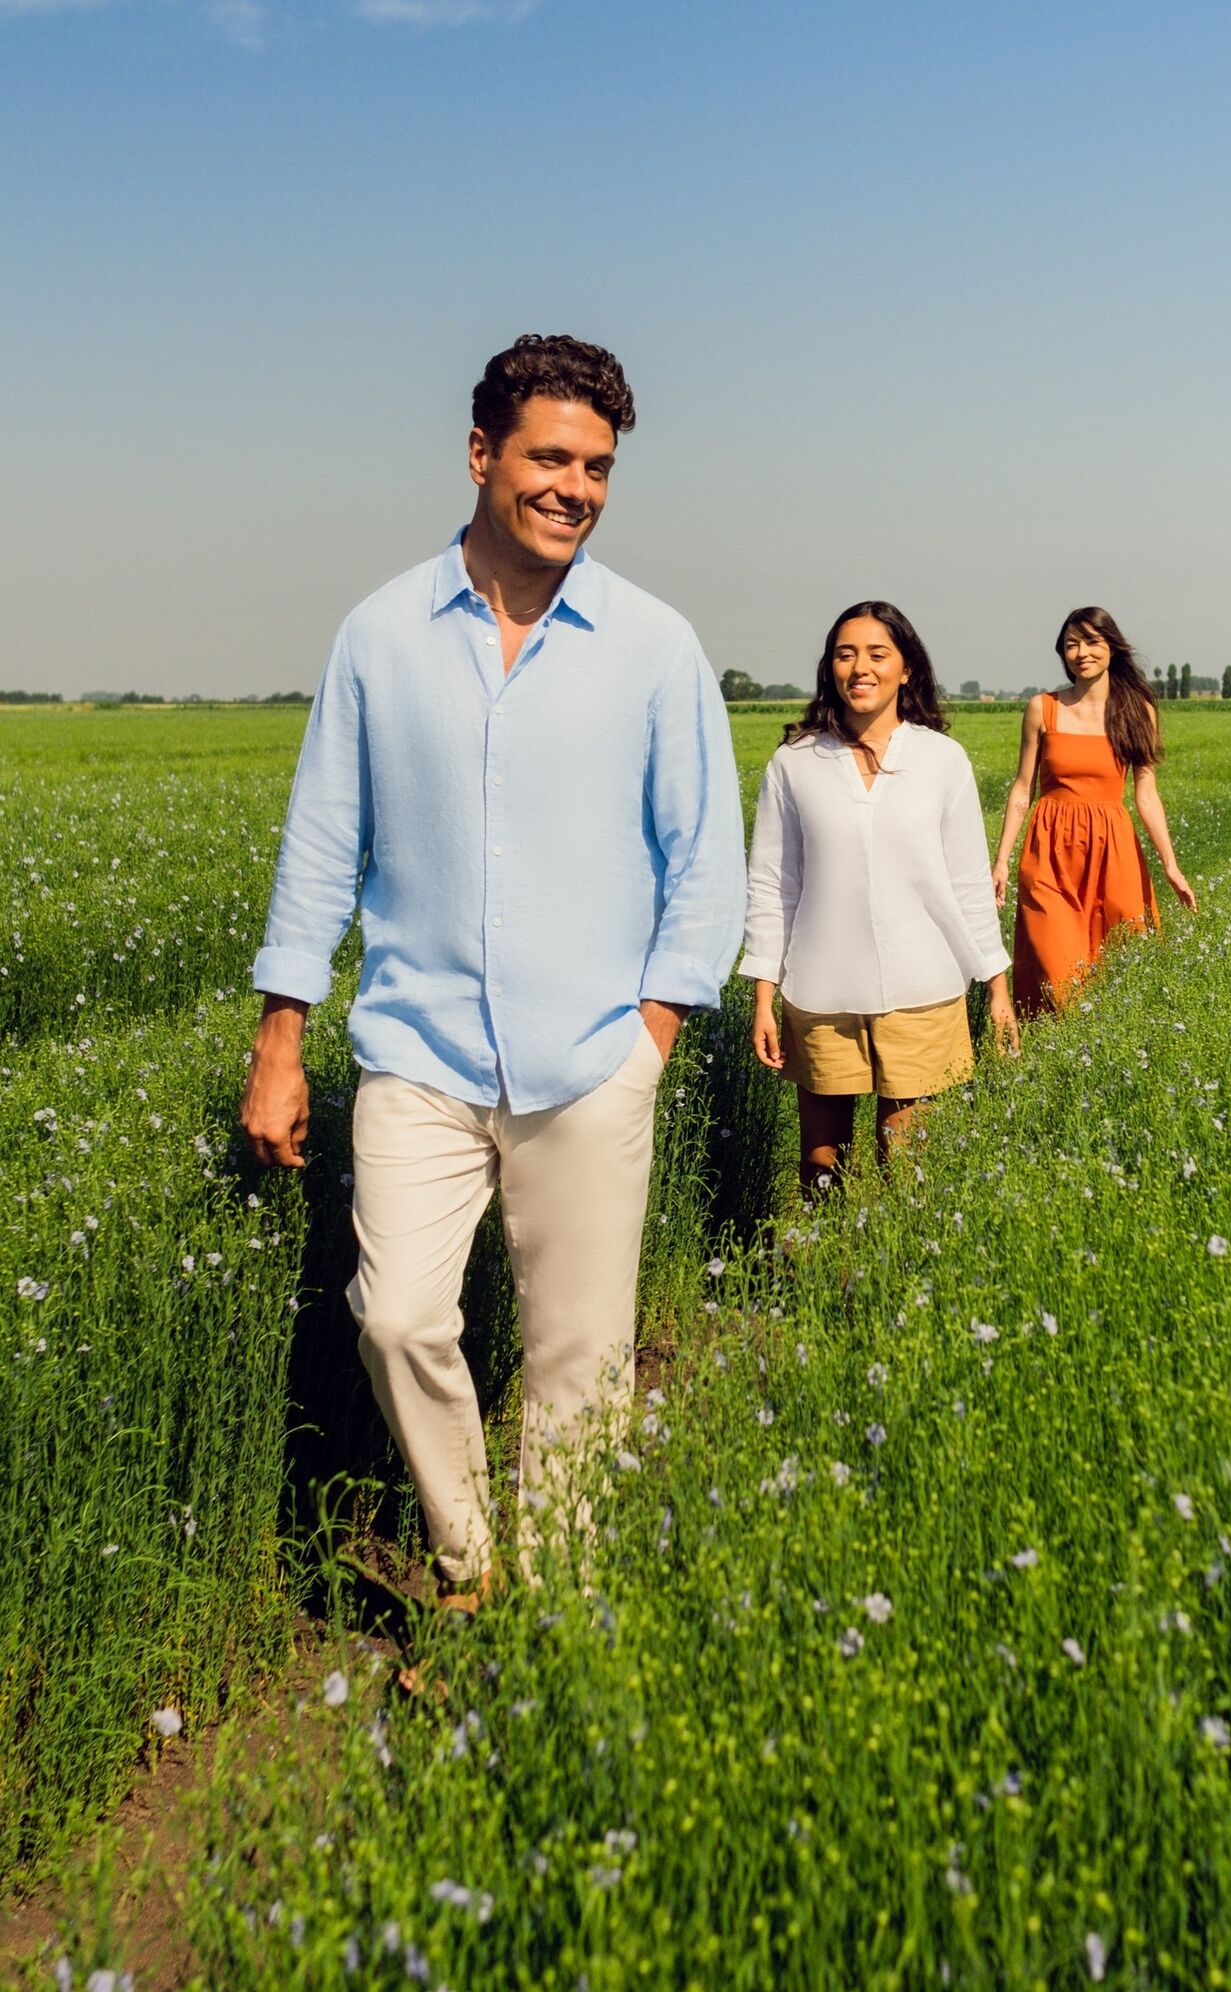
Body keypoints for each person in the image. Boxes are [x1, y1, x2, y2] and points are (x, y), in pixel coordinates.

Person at [240, 335, 746, 1609]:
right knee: (397, 1317)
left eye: (598, 465)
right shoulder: (379, 637)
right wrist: (280, 1038)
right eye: (549, 457)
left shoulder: (652, 644)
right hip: (419, 1053)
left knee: (581, 1357)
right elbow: (319, 844)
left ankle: (558, 1610)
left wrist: (650, 1039)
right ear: (481, 455)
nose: (575, 486)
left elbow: (706, 863)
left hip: (590, 1058)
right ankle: (475, 1566)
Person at [741, 601, 1017, 1191]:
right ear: (830, 669)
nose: (860, 667)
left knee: (909, 1171)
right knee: (821, 1171)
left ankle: (901, 1284)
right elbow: (772, 884)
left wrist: (997, 987)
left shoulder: (942, 761)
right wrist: (764, 997)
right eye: (845, 654)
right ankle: (824, 1282)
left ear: (906, 668)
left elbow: (969, 881)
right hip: (820, 994)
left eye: (877, 654)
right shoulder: (794, 764)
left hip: (923, 990)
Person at [992, 606, 1196, 1016]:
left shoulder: (1137, 711)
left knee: (1119, 962)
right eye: (1071, 644)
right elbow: (1021, 789)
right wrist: (1001, 861)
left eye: (1091, 642)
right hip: (1049, 850)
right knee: (1054, 968)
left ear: (1111, 648)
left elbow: (1146, 793)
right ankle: (1045, 1052)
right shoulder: (1042, 708)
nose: (1081, 652)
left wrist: (1170, 865)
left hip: (1113, 848)